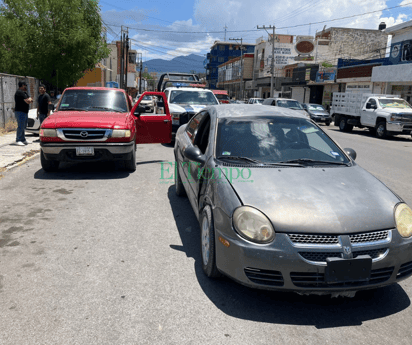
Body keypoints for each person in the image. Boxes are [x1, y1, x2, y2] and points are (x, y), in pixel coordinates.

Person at [14, 81, 33, 146]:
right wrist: (28, 100)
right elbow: (28, 101)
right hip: (20, 112)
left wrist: (29, 100)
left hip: (24, 112)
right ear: (22, 85)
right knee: (21, 126)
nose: (26, 87)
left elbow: (31, 100)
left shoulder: (24, 93)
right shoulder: (19, 92)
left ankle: (23, 139)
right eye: (25, 85)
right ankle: (18, 139)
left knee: (24, 126)